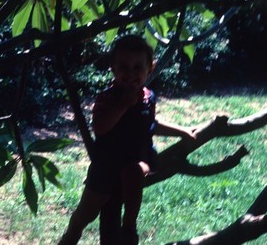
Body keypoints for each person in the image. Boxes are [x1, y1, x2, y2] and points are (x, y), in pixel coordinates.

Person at [58, 35, 197, 245]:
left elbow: (150, 124)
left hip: (137, 157)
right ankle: (71, 236)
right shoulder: (107, 98)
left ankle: (129, 227)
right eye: (123, 66)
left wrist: (182, 130)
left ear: (150, 68)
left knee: (133, 171)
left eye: (137, 67)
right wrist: (123, 105)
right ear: (112, 67)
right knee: (85, 214)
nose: (130, 74)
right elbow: (100, 128)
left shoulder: (148, 97)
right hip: (106, 165)